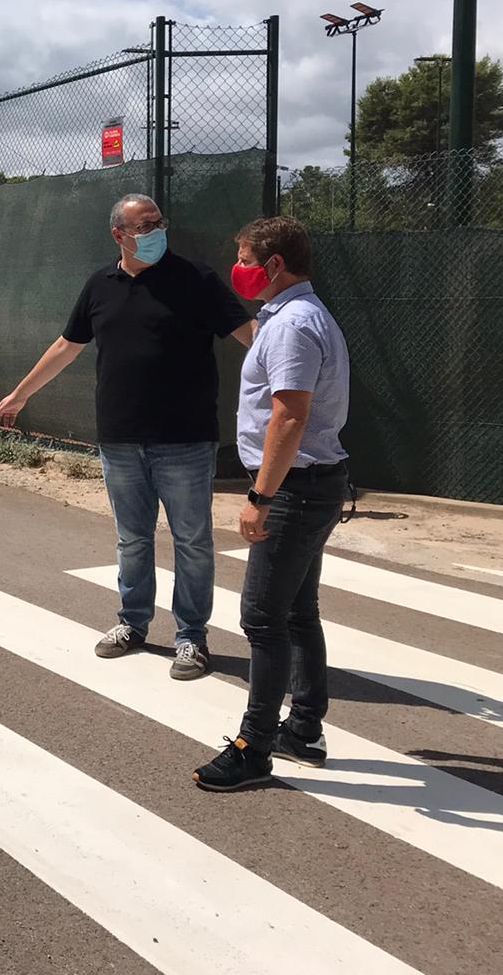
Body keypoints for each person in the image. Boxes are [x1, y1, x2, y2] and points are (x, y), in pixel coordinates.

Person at [0, 193, 254, 680]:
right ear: (119, 235)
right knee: (132, 540)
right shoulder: (100, 285)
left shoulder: (194, 279)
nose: (156, 231)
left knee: (192, 541)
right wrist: (20, 395)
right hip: (121, 439)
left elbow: (248, 333)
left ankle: (191, 638)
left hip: (185, 439)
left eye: (159, 222)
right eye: (144, 225)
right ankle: (133, 624)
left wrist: (294, 376)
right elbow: (68, 346)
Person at [193, 215, 351, 791]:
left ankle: (253, 748)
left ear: (274, 264)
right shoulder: (300, 316)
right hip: (315, 482)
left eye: (245, 258)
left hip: (294, 488)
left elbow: (290, 413)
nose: (240, 269)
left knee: (261, 617)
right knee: (295, 611)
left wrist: (260, 495)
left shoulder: (291, 325)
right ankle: (303, 730)